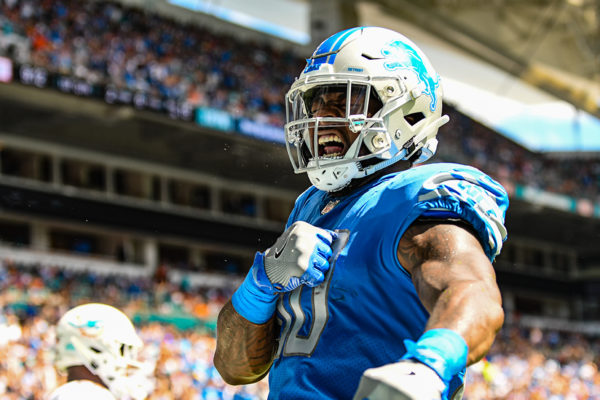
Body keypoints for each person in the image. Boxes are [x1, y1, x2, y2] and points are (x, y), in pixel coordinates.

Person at [213, 26, 508, 400]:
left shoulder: (416, 198)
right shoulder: (311, 205)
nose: (321, 118)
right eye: (316, 102)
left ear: (407, 112)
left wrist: (430, 364)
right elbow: (234, 368)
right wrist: (262, 282)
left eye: (346, 100)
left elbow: (473, 291)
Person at [48, 303, 154, 400]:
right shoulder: (85, 394)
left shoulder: (71, 393)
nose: (127, 361)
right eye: (122, 349)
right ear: (94, 348)